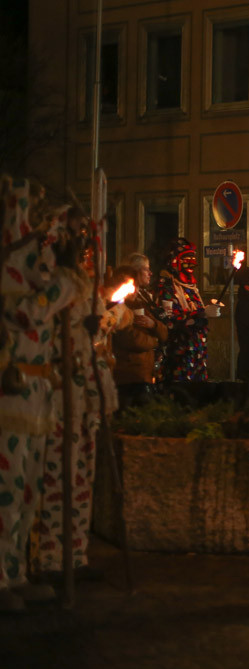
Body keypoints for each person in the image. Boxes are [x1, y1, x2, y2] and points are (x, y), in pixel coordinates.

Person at [0, 180, 86, 611]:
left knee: (30, 490)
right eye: (47, 240)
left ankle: (16, 572)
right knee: (7, 490)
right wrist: (68, 283)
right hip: (9, 399)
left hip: (37, 398)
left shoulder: (40, 280)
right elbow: (27, 314)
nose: (51, 253)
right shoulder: (9, 278)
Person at [34, 206, 124, 584]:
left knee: (83, 476)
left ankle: (76, 551)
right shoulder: (48, 282)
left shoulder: (84, 285)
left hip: (85, 394)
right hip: (58, 393)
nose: (84, 249)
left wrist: (102, 327)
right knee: (57, 476)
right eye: (76, 240)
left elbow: (95, 337)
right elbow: (36, 328)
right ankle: (51, 557)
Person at [113, 264, 168, 407]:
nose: (136, 290)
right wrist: (155, 341)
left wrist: (153, 325)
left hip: (145, 374)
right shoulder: (118, 310)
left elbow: (164, 331)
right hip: (129, 373)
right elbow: (132, 339)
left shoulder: (141, 305)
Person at [156, 237, 208, 382]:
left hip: (197, 348)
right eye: (187, 258)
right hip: (179, 348)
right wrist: (195, 317)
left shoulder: (191, 288)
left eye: (193, 257)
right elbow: (169, 318)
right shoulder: (167, 286)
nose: (192, 262)